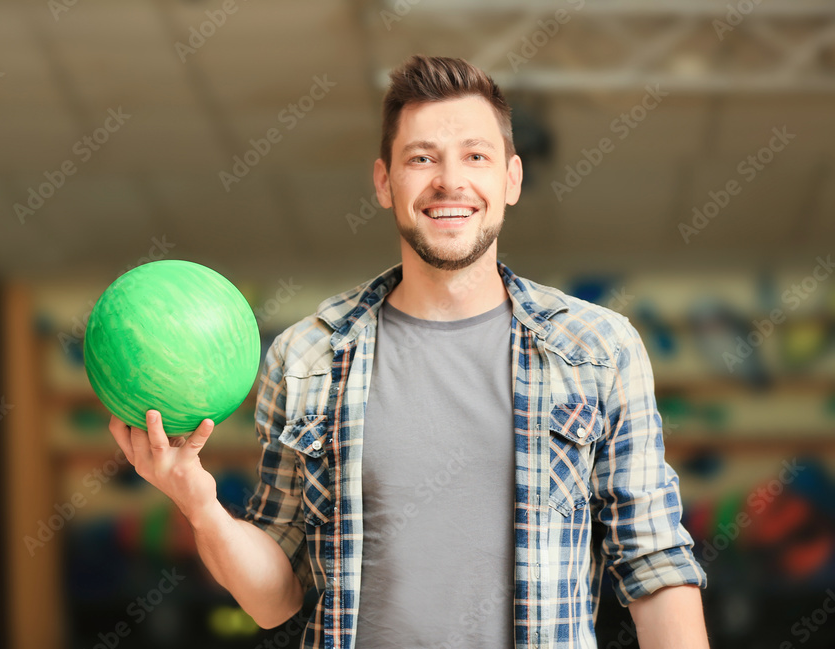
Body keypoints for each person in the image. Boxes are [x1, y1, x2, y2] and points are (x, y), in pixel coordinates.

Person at [108, 54, 710, 649]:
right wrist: (198, 503)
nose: (449, 180)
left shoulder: (599, 349)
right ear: (383, 181)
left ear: (511, 179)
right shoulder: (306, 357)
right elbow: (276, 600)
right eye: (421, 158)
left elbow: (654, 564)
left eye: (475, 156)